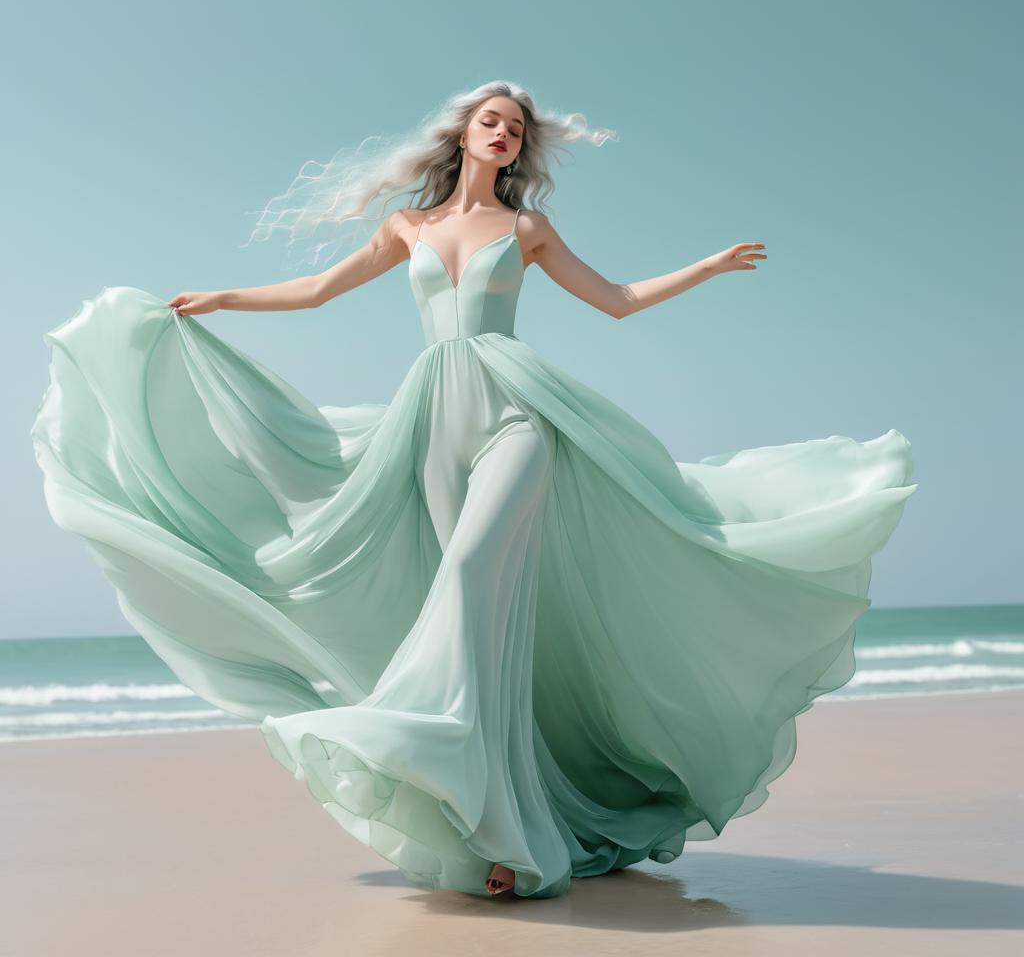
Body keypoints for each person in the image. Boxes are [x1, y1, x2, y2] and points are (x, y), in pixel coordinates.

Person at [31, 80, 918, 900]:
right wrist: (224, 297)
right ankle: (502, 826)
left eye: (518, 128)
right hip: (431, 427)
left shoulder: (526, 231)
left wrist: (708, 266)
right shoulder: (409, 228)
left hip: (516, 418)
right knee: (486, 629)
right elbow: (317, 289)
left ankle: (467, 795)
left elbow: (615, 300)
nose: (505, 133)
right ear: (463, 131)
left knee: (465, 586)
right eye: (493, 120)